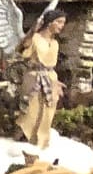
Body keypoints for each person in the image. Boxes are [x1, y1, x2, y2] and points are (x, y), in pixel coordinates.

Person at [18, 11, 66, 147]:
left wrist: (55, 82)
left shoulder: (55, 43)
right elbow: (23, 48)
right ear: (50, 23)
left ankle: (42, 142)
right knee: (32, 111)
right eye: (59, 22)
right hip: (35, 77)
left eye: (63, 23)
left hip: (51, 79)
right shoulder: (35, 38)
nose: (61, 26)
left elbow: (51, 66)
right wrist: (33, 30)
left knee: (48, 113)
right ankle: (28, 140)